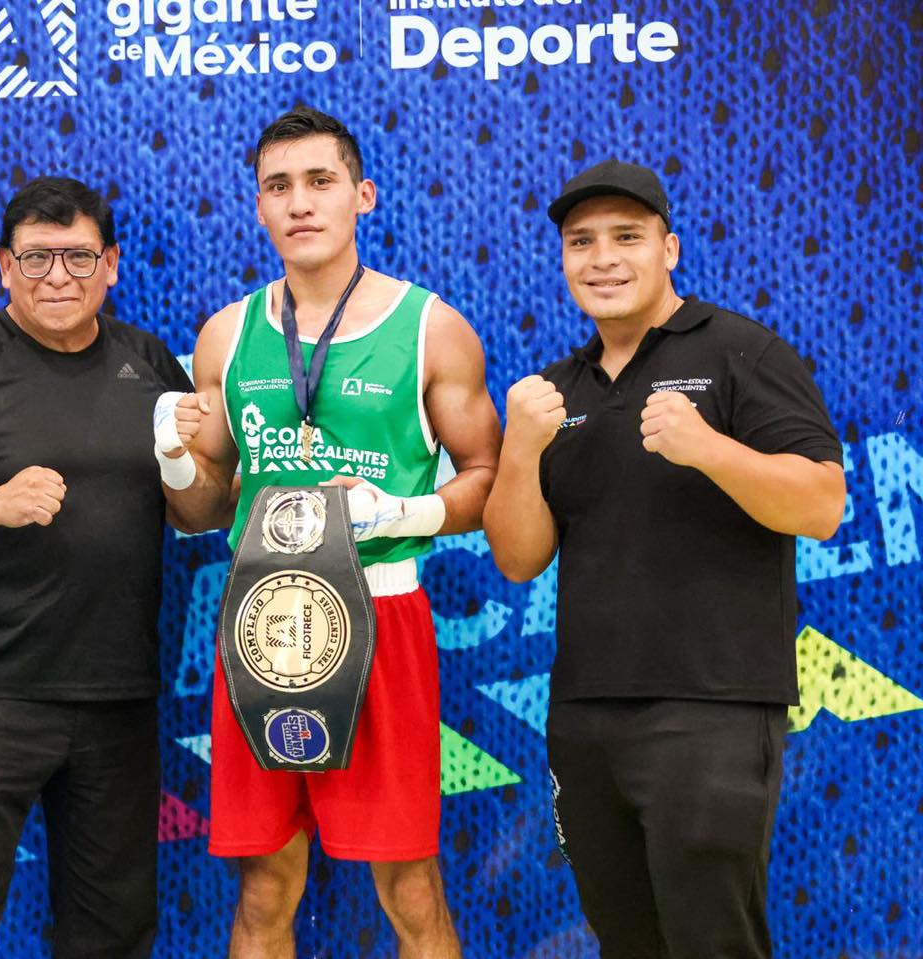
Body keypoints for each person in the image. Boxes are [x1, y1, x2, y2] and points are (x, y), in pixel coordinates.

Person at [157, 107, 501, 959]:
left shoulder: (431, 327)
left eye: (320, 181)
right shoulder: (228, 334)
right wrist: (169, 457)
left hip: (382, 616)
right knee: (265, 883)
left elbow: (487, 479)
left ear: (363, 195)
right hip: (261, 621)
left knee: (410, 884)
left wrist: (401, 512)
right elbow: (201, 511)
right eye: (279, 186)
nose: (300, 202)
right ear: (259, 205)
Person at [482, 159, 847, 958]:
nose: (603, 258)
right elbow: (517, 558)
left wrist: (709, 447)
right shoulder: (558, 388)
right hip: (583, 718)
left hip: (710, 710)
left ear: (669, 248)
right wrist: (520, 451)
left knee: (712, 941)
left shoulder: (740, 351)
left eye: (627, 237)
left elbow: (823, 504)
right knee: (627, 943)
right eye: (582, 242)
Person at [0, 176, 194, 959]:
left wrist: (193, 460)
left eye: (79, 257)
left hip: (119, 694)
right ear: (3, 266)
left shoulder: (150, 363)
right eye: (37, 257)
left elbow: (197, 510)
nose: (58, 276)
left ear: (111, 264)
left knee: (114, 933)